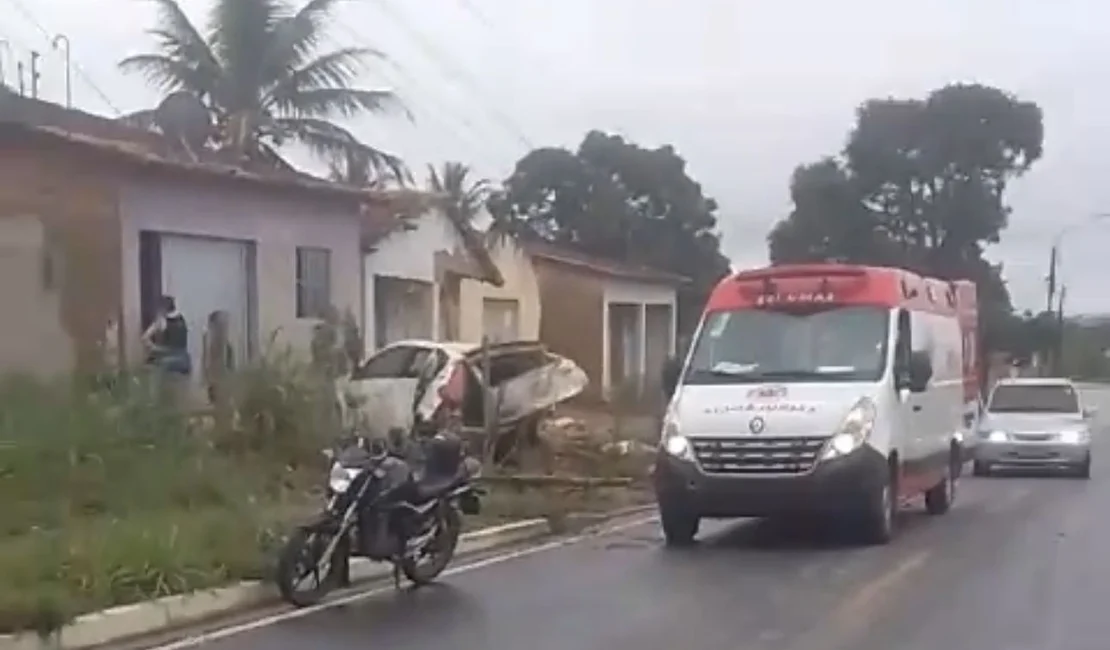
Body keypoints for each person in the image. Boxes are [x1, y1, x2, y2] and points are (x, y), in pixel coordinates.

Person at [142, 295, 192, 378]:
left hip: (168, 363)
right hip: (185, 362)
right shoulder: (182, 318)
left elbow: (144, 338)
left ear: (162, 309)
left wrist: (154, 347)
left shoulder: (161, 321)